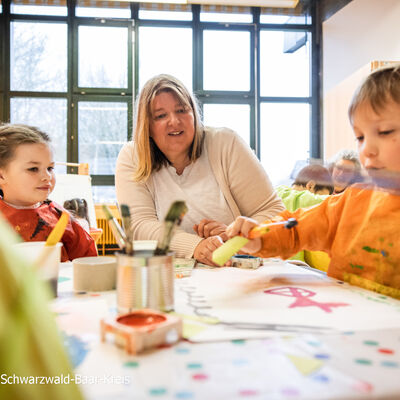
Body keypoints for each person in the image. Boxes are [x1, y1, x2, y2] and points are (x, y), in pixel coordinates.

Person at [225, 64, 400, 299]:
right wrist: (258, 238)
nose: (366, 149)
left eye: (385, 131)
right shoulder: (351, 202)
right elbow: (295, 228)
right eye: (360, 137)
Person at [116, 74, 284, 266]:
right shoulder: (132, 156)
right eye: (161, 116)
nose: (174, 121)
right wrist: (197, 247)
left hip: (243, 269)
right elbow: (139, 227)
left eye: (181, 110)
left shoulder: (225, 143)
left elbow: (273, 212)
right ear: (147, 127)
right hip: (175, 274)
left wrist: (233, 235)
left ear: (194, 114)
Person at [0, 123, 97, 262]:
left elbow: (88, 261)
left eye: (50, 168)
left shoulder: (60, 217)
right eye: (33, 169)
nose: (47, 176)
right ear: (1, 176)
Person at [276, 164, 333, 269]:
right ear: (310, 186)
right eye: (321, 194)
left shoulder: (277, 193)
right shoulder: (296, 199)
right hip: (289, 266)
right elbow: (329, 203)